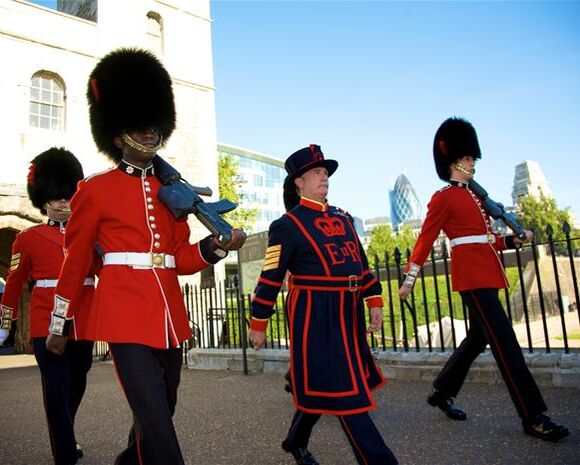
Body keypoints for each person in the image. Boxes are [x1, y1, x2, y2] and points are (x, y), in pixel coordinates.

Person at [45, 48, 246, 465]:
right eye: (140, 125)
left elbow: (178, 260)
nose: (151, 132)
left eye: (154, 124)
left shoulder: (171, 192)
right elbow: (76, 261)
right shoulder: (94, 190)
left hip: (168, 315)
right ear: (119, 136)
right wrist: (59, 321)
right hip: (122, 314)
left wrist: (215, 247)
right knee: (156, 420)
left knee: (160, 411)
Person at [398, 117, 569, 442]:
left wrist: (511, 240)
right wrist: (410, 278)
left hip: (488, 273)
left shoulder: (477, 198)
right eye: (467, 157)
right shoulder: (443, 198)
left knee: (479, 337)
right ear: (454, 160)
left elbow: (487, 240)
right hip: (471, 278)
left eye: (472, 157)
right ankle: (533, 416)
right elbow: (425, 240)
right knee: (506, 343)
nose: (472, 161)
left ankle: (442, 390)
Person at [249, 145, 398, 465]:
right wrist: (258, 322)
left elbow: (362, 264)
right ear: (298, 182)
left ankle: (295, 441)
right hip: (314, 315)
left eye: (325, 172)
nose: (324, 176)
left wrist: (374, 301)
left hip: (348, 312)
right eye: (316, 172)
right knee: (347, 394)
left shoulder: (344, 218)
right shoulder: (286, 225)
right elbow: (270, 276)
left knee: (321, 382)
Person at [0, 147, 96, 465]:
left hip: (83, 317)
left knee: (78, 378)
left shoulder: (91, 234)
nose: (64, 202)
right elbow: (14, 280)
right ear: (45, 201)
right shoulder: (28, 238)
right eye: (57, 198)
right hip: (46, 320)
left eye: (68, 196)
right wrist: (6, 317)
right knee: (55, 386)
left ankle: (65, 431)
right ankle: (65, 452)